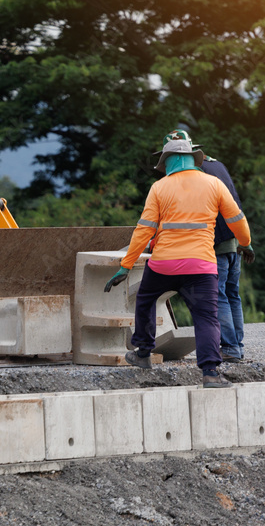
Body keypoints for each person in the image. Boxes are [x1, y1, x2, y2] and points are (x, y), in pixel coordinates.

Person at [104, 134, 253, 388]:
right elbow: (237, 220)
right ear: (192, 157)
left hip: (163, 265)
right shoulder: (214, 184)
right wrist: (245, 243)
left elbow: (144, 230)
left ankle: (143, 353)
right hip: (201, 267)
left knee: (146, 298)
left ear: (167, 161)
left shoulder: (159, 187)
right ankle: (210, 373)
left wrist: (126, 266)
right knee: (206, 317)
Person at [167, 130, 256, 363]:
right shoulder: (218, 165)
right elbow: (235, 205)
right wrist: (245, 242)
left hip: (215, 245)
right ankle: (237, 346)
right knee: (232, 294)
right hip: (234, 242)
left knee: (218, 296)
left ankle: (230, 348)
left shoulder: (194, 173)